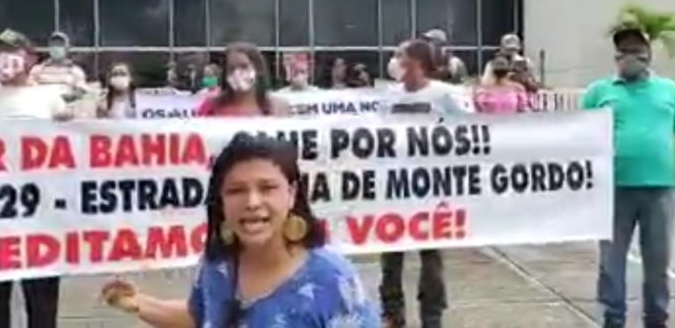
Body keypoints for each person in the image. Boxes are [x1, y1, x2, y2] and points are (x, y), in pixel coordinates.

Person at [101, 133, 380, 327]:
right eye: (236, 191)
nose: (252, 202)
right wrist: (137, 303)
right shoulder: (215, 265)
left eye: (267, 188)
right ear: (221, 201)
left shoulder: (334, 280)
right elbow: (200, 317)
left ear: (292, 194)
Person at [0, 29, 71, 328]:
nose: (4, 59)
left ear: (30, 57)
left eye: (12, 50)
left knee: (43, 302)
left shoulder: (50, 100)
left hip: (42, 214)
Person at [581, 25, 675, 328]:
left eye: (635, 51)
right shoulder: (599, 92)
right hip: (612, 190)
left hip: (660, 190)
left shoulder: (670, 91)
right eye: (622, 51)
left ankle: (656, 319)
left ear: (648, 55)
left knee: (657, 264)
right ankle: (613, 320)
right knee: (611, 264)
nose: (628, 57)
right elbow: (576, 136)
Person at [380, 39, 469, 328]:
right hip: (394, 188)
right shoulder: (389, 97)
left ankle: (432, 316)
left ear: (416, 63)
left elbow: (469, 132)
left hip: (432, 190)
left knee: (431, 260)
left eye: (400, 57)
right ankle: (393, 314)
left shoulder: (444, 96)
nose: (395, 62)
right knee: (390, 258)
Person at [196, 42, 289, 117]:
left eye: (244, 66)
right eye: (231, 68)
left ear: (258, 68)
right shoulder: (211, 107)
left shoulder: (277, 107)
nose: (237, 73)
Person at [29, 31, 88, 102]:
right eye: (53, 45)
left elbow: (81, 91)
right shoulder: (37, 69)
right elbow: (29, 88)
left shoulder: (75, 71)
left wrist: (70, 97)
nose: (56, 48)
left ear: (67, 48)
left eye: (60, 45)